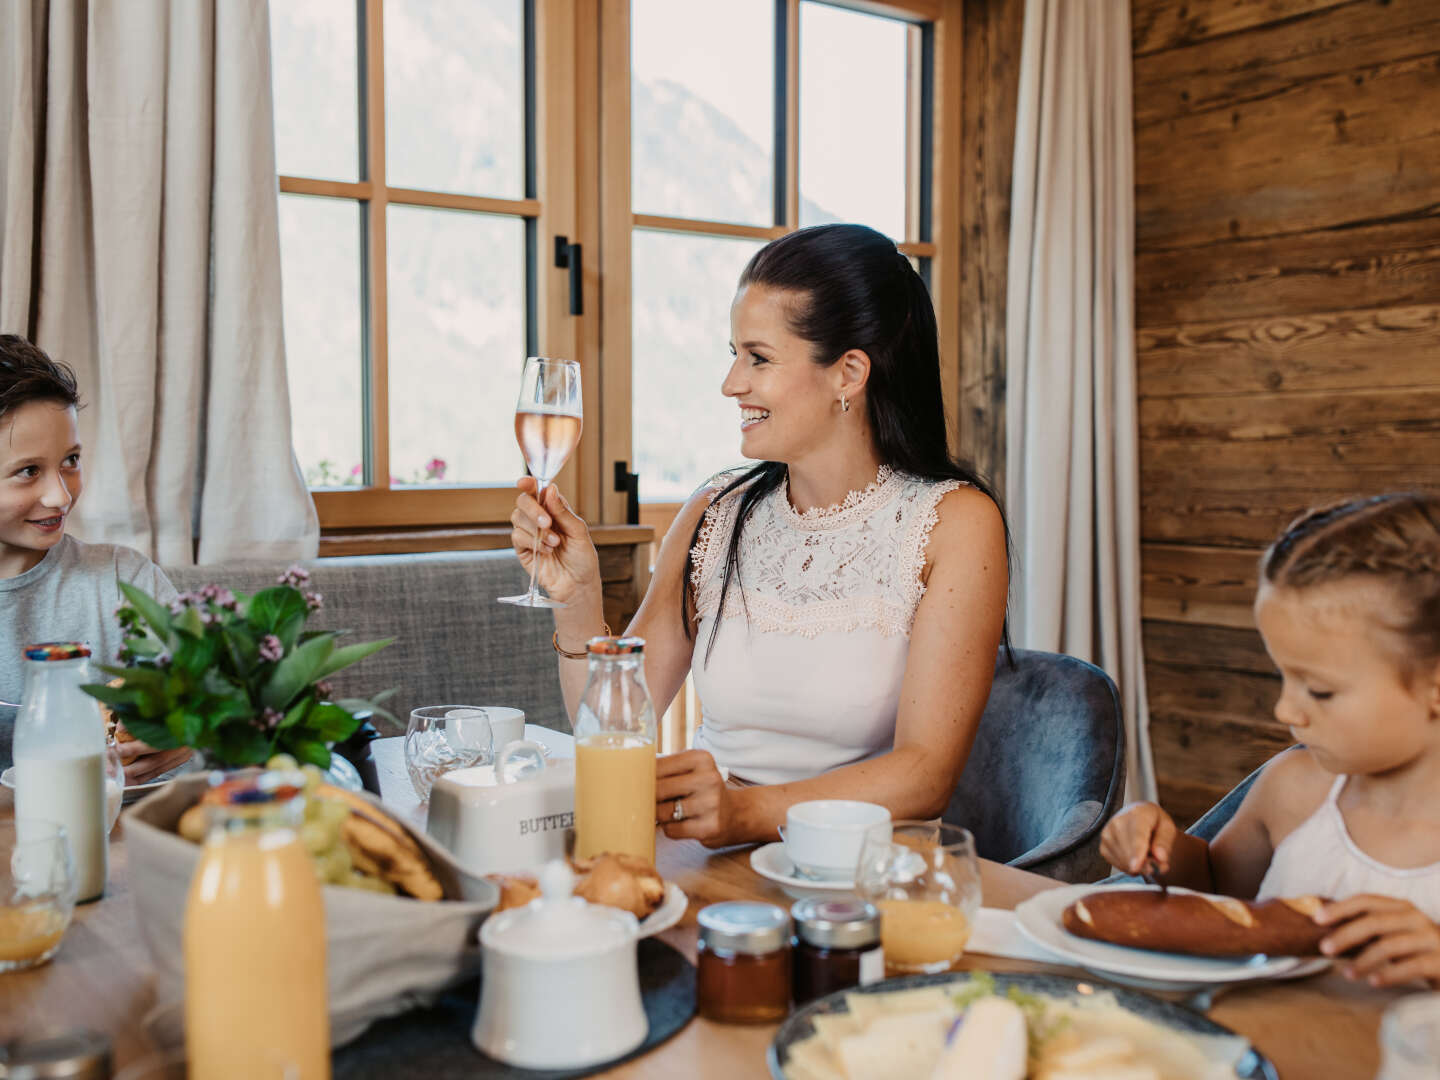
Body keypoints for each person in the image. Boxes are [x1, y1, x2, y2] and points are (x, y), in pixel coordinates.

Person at [510, 224, 1010, 848]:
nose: (731, 383)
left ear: (849, 373)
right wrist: (577, 599)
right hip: (711, 861)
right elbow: (610, 724)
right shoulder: (716, 510)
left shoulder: (954, 523)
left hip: (863, 881)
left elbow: (924, 774)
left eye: (759, 357)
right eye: (733, 353)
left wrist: (744, 812)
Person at [1103, 492, 1440, 989]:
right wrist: (1163, 847)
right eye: (1282, 675)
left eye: (1319, 690)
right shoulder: (1294, 791)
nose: (1285, 710)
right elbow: (1219, 889)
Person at [0, 334, 188, 781]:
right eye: (29, 471)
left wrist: (190, 733)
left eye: (71, 460)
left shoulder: (126, 580)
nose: (60, 494)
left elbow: (210, 702)